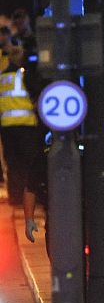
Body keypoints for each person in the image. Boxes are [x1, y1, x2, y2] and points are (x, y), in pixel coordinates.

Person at [0, 55, 38, 206]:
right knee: (28, 164)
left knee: (13, 163)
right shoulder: (23, 75)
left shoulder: (3, 77)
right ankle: (29, 197)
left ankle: (15, 198)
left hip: (7, 127)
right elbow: (35, 96)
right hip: (26, 125)